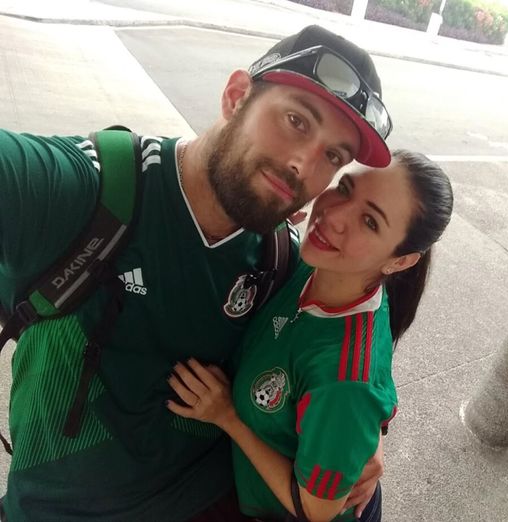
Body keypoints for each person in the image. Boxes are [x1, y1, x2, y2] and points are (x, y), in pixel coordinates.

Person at [0, 25, 393, 521]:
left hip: (213, 498)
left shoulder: (281, 258)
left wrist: (365, 434)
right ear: (236, 97)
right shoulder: (89, 193)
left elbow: (349, 331)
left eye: (333, 156)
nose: (303, 164)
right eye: (296, 120)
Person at [166, 151, 454, 521]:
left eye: (369, 221)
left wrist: (228, 416)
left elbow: (316, 509)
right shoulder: (316, 266)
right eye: (345, 188)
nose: (333, 216)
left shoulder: (344, 380)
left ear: (400, 261)